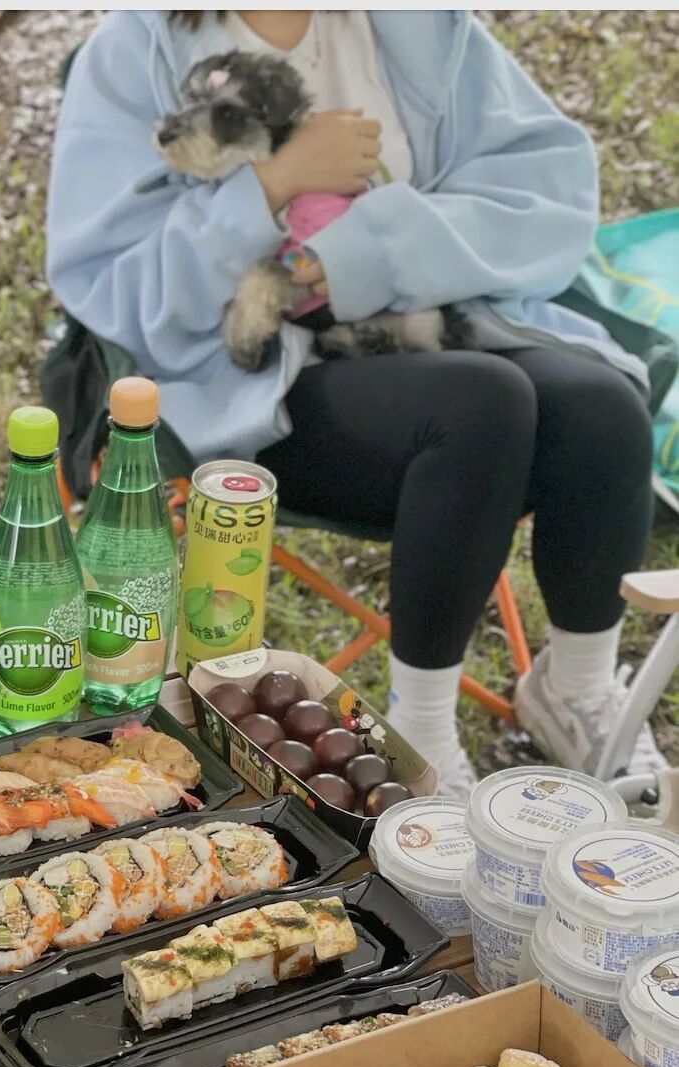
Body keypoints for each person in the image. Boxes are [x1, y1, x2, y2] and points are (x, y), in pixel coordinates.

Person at [45, 10, 659, 796]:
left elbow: (544, 197)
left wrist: (360, 255)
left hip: (430, 321)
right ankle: (421, 733)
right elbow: (118, 291)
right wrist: (270, 185)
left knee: (602, 406)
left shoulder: (417, 25)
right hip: (247, 372)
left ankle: (576, 690)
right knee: (482, 401)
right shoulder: (136, 49)